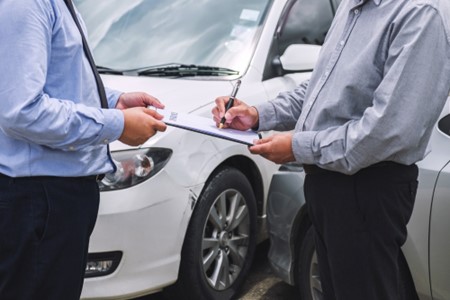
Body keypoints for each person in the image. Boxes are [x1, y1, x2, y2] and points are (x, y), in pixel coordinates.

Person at [213, 0, 450, 299]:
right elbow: (321, 86)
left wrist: (297, 147)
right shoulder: (352, 5)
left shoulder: (420, 13)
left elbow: (386, 133)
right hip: (328, 182)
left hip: (367, 187)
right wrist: (260, 114)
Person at [0, 0, 167, 299]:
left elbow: (63, 82)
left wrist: (113, 100)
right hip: (39, 198)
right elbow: (21, 112)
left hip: (54, 197)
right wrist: (117, 124)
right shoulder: (25, 4)